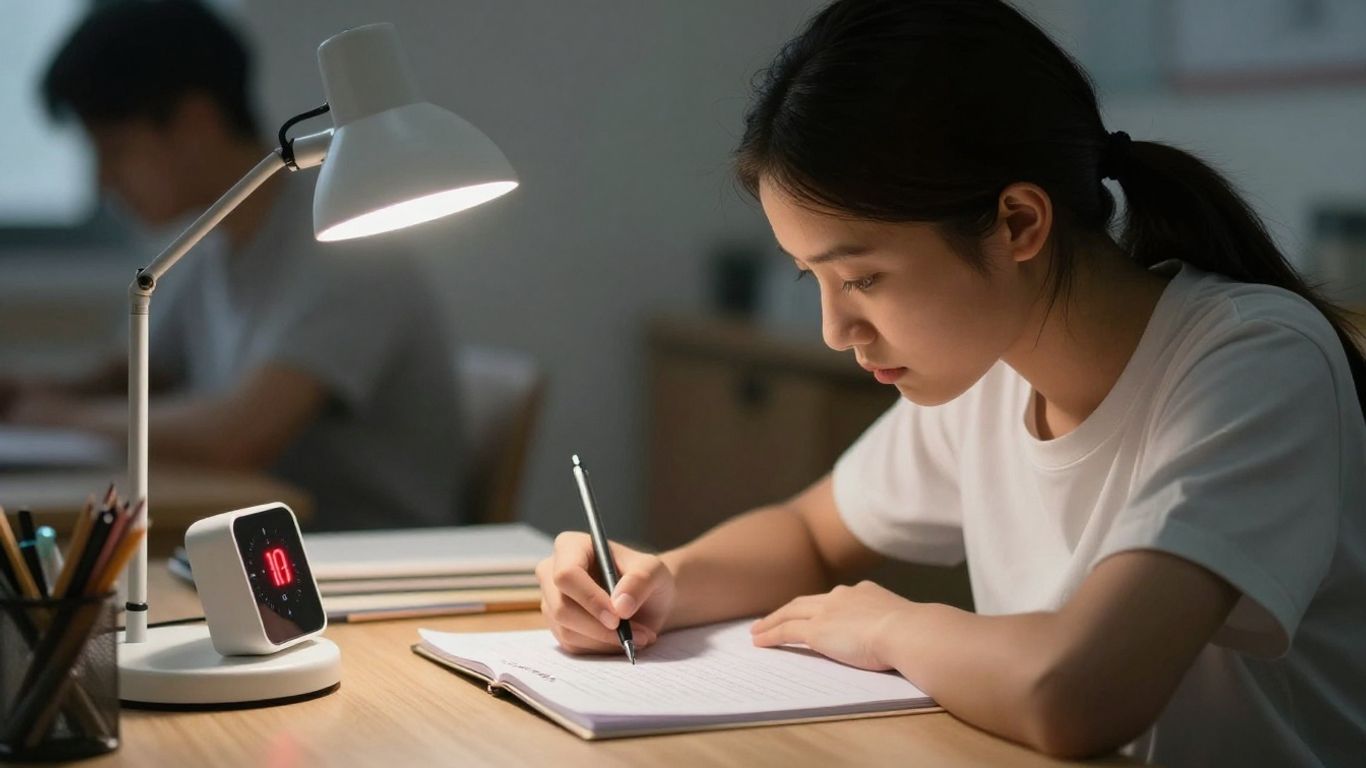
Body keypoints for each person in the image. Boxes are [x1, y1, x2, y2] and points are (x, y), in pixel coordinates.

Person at [535, 0, 1366, 763]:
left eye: (860, 279)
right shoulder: (994, 366)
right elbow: (812, 533)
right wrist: (662, 582)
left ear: (1018, 223)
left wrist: (893, 625)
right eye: (810, 280)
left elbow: (1079, 692)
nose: (834, 331)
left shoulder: (1255, 362)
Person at [0, 0, 466, 530]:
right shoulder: (210, 243)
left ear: (195, 122)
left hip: (365, 561)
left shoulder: (345, 244)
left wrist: (64, 419)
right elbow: (139, 374)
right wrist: (37, 392)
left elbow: (238, 434)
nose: (103, 183)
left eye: (115, 149)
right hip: (259, 548)